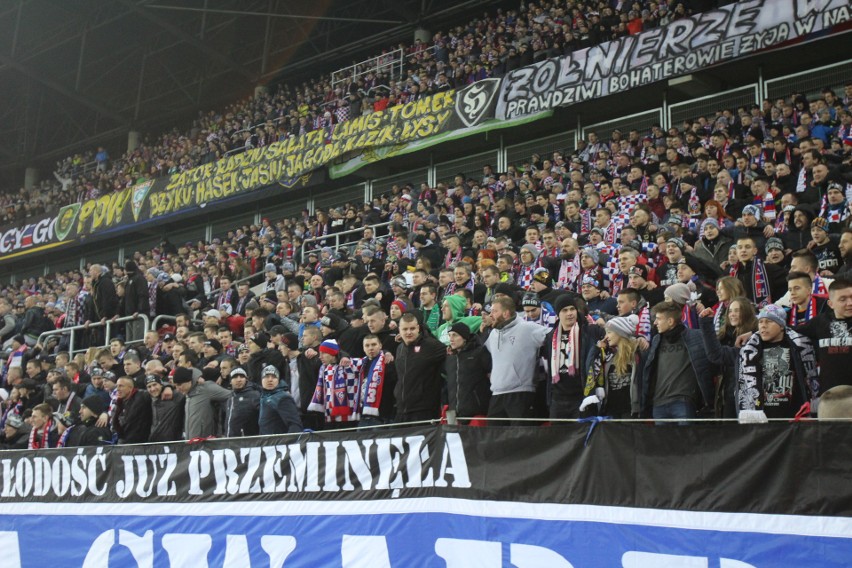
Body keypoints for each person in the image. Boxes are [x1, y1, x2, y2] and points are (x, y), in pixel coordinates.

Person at [738, 304, 817, 419]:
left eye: (769, 321)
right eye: (760, 322)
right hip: (763, 416)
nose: (763, 326)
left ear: (781, 326)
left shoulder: (799, 346)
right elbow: (717, 355)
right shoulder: (749, 350)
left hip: (795, 417)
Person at [642, 302, 716, 422]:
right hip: (658, 403)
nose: (655, 323)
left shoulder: (696, 337)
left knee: (686, 440)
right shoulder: (656, 340)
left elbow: (709, 363)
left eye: (658, 319)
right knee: (662, 441)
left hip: (683, 401)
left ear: (670, 321)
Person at [485, 296, 549, 423]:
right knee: (493, 439)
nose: (490, 315)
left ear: (506, 313)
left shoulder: (527, 328)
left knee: (521, 438)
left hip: (521, 393)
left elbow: (554, 336)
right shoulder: (493, 334)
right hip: (496, 393)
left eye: (494, 311)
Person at [540, 295, 605, 419]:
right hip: (558, 398)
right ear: (558, 314)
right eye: (565, 310)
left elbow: (612, 338)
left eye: (572, 309)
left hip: (581, 396)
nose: (569, 313)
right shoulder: (550, 337)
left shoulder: (591, 331)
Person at [793, 278, 852, 399]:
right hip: (829, 396)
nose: (850, 302)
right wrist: (752, 333)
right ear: (831, 304)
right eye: (843, 299)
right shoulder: (821, 321)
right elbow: (790, 331)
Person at [582, 315, 645, 418]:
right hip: (610, 411)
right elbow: (589, 368)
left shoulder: (637, 353)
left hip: (630, 411)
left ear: (620, 333)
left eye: (609, 332)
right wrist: (596, 349)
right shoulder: (607, 354)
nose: (606, 337)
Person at [394, 313, 446, 422]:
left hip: (424, 411)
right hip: (401, 410)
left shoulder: (431, 345)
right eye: (405, 329)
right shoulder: (400, 349)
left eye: (412, 328)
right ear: (399, 330)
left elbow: (452, 351)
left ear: (418, 328)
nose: (409, 332)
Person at [308, 339, 362, 427]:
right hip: (330, 417)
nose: (320, 356)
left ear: (332, 353)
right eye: (319, 353)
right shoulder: (325, 368)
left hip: (350, 417)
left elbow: (370, 359)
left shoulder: (351, 364)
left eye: (323, 353)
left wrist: (386, 353)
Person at [445, 322, 492, 424]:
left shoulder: (479, 352)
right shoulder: (450, 358)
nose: (451, 339)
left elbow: (491, 375)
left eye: (455, 335)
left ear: (465, 337)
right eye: (449, 335)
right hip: (454, 415)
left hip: (477, 413)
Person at [172, 366, 231, 439]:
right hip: (192, 443)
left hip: (207, 443)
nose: (177, 389)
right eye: (176, 386)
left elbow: (231, 395)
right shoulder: (187, 394)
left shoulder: (206, 388)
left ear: (189, 381)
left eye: (179, 385)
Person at [259, 365, 303, 435]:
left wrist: (287, 444)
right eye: (267, 376)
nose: (270, 380)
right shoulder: (263, 397)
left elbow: (295, 426)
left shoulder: (283, 398)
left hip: (279, 444)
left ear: (278, 380)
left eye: (274, 377)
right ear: (261, 380)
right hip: (267, 443)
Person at [112, 376, 153, 444]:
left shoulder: (142, 395)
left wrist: (168, 387)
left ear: (130, 388)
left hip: (141, 443)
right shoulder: (118, 403)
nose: (117, 389)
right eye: (117, 386)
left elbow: (158, 389)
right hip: (124, 442)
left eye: (121, 386)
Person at [147, 375, 185, 442]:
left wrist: (168, 386)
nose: (152, 389)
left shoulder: (175, 395)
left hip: (174, 442)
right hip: (155, 442)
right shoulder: (150, 399)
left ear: (161, 385)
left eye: (154, 385)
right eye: (149, 387)